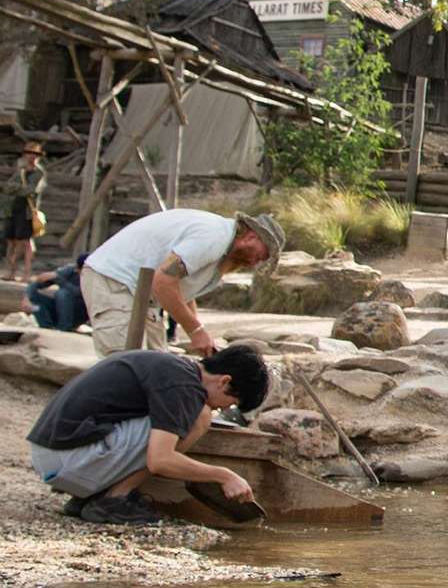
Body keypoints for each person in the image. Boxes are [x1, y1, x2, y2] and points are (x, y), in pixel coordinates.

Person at [27, 344, 268, 524]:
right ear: (224, 381)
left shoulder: (175, 368)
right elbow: (160, 460)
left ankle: (94, 496)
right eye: (230, 403)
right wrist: (223, 475)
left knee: (183, 422)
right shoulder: (185, 386)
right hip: (68, 458)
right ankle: (113, 500)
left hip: (53, 454)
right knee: (200, 417)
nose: (223, 410)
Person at [80, 209, 283, 357]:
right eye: (263, 254)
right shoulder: (214, 237)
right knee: (124, 365)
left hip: (143, 293)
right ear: (251, 236)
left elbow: (182, 290)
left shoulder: (222, 248)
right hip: (115, 280)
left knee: (156, 363)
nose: (258, 262)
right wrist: (195, 331)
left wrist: (200, 335)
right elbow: (163, 280)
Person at [4, 141, 46, 282]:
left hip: (28, 211)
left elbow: (31, 190)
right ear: (25, 155)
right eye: (29, 153)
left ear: (38, 156)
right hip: (14, 208)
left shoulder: (39, 173)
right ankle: (10, 272)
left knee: (25, 242)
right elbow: (7, 187)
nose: (32, 156)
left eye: (35, 154)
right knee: (11, 241)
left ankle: (26, 274)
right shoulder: (20, 171)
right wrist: (19, 189)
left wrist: (17, 189)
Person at [23, 255, 89, 332]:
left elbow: (78, 292)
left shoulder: (93, 278)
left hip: (77, 314)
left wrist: (58, 279)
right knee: (33, 297)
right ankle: (46, 326)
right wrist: (26, 297)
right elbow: (37, 283)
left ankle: (64, 327)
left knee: (62, 294)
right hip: (59, 311)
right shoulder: (71, 269)